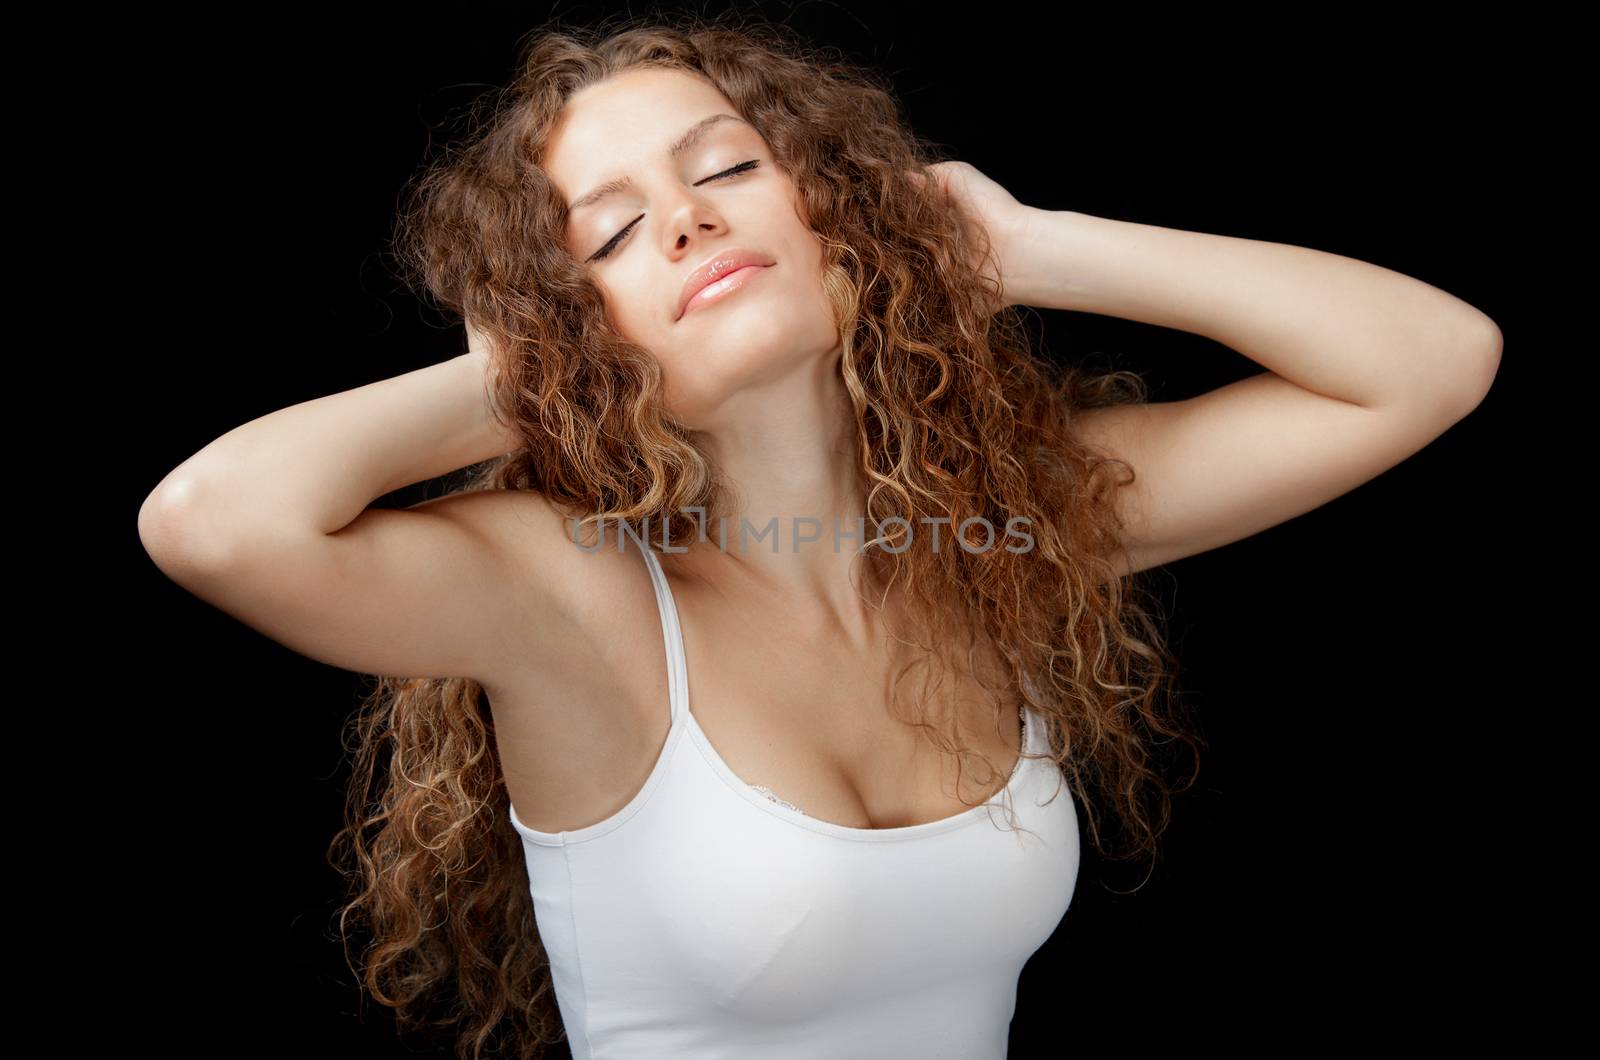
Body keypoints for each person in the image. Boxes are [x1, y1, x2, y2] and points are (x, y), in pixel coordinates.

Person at [135, 14, 1502, 1060]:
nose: (686, 217)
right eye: (609, 237)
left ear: (842, 213)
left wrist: (1031, 248)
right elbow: (212, 522)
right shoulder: (578, 595)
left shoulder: (997, 532)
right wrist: (538, 368)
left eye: (727, 163)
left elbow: (1431, 359)